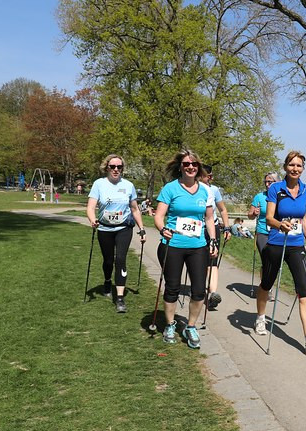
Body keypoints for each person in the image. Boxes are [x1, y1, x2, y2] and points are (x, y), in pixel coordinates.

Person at [254, 151, 306, 356]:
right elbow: (269, 218)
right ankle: (260, 318)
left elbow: (303, 219)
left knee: (304, 290)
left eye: (299, 166)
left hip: (296, 245)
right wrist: (280, 224)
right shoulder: (276, 189)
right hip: (276, 242)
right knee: (266, 284)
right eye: (292, 165)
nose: (295, 169)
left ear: (303, 169)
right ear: (285, 166)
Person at [153, 149, 219, 349]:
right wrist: (162, 229)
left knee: (199, 289)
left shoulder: (205, 191)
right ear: (180, 167)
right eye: (186, 164)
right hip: (172, 245)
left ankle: (190, 326)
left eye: (194, 164)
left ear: (198, 168)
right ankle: (170, 324)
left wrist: (213, 241)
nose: (191, 167)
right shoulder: (170, 189)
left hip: (198, 246)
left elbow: (208, 218)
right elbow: (158, 215)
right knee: (172, 287)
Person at [87, 154, 147, 313]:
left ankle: (120, 298)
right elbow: (91, 206)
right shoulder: (98, 184)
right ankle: (107, 280)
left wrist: (142, 229)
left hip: (123, 228)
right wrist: (93, 219)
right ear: (106, 167)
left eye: (119, 167)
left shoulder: (128, 185)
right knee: (108, 260)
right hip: (105, 228)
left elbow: (135, 209)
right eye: (112, 167)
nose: (115, 170)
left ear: (122, 169)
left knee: (120, 259)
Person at [199, 164, 231, 310]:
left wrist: (227, 227)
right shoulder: (192, 188)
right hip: (197, 229)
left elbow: (222, 209)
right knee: (199, 260)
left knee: (212, 259)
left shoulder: (214, 189)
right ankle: (199, 289)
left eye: (211, 176)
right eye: (208, 175)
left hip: (214, 228)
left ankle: (212, 293)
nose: (210, 178)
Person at [248, 172, 279, 259]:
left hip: (277, 232)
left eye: (269, 182)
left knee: (275, 261)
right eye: (265, 182)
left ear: (276, 182)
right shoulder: (259, 196)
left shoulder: (281, 196)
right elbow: (249, 215)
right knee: (266, 259)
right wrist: (254, 213)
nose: (266, 184)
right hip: (262, 232)